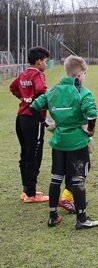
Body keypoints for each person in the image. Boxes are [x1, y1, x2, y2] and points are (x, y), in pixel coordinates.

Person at [30, 55, 98, 229]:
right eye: (84, 74)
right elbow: (91, 113)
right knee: (78, 179)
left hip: (59, 141)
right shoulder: (82, 92)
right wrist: (91, 129)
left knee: (56, 178)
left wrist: (48, 124)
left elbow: (33, 107)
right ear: (79, 75)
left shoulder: (53, 90)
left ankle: (53, 216)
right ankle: (82, 219)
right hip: (77, 142)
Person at [9, 46, 51, 203]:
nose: (46, 65)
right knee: (34, 154)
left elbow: (13, 87)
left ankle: (26, 189)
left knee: (25, 154)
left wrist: (25, 98)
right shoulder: (38, 74)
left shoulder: (24, 74)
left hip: (21, 117)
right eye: (46, 61)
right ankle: (31, 194)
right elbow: (41, 89)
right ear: (39, 61)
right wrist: (40, 100)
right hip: (34, 118)